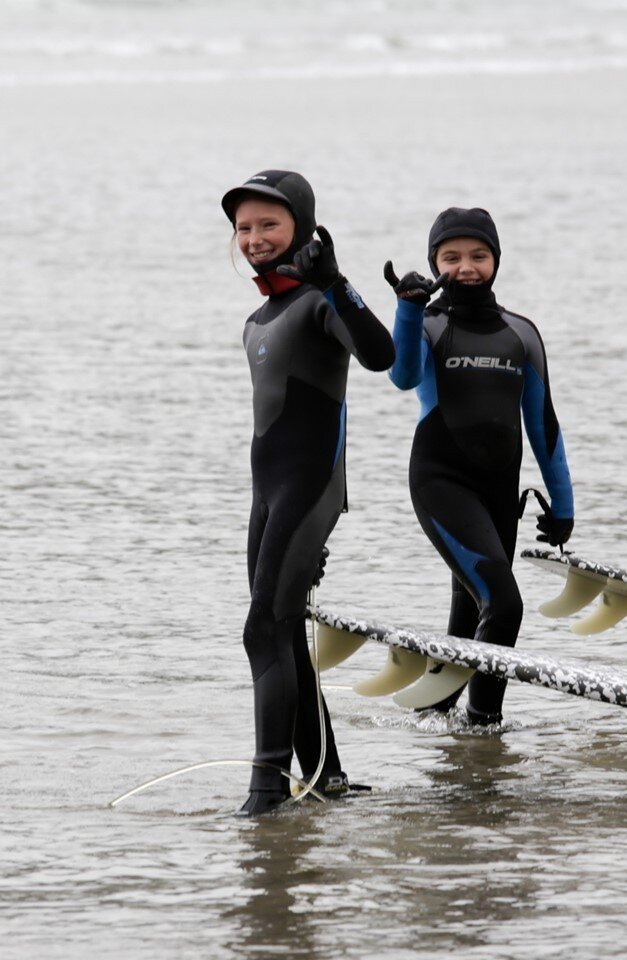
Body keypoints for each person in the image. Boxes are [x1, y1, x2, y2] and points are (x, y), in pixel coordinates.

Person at [222, 170, 395, 814]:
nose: (255, 238)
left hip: (309, 488)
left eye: (270, 224)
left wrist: (337, 281)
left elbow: (380, 357)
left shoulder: (320, 301)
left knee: (262, 630)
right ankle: (326, 777)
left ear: (301, 225)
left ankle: (266, 792)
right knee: (284, 633)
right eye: (244, 228)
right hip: (266, 494)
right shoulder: (256, 319)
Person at [384, 206, 574, 726]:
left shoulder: (522, 333)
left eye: (478, 256)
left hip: (498, 493)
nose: (466, 267)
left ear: (495, 260)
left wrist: (564, 505)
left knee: (471, 612)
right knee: (504, 605)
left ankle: (434, 720)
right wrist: (405, 306)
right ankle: (484, 728)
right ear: (434, 262)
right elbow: (401, 376)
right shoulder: (426, 324)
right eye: (452, 257)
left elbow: (544, 426)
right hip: (441, 482)